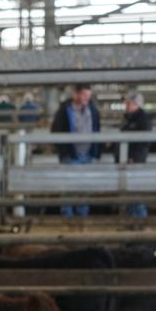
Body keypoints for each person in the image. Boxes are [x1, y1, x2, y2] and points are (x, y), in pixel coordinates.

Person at [51, 83, 102, 217]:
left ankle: (82, 216)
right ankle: (67, 217)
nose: (86, 98)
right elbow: (55, 131)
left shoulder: (92, 109)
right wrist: (64, 151)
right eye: (84, 95)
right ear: (76, 94)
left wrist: (96, 150)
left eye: (88, 95)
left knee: (84, 187)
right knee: (69, 187)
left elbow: (97, 128)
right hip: (71, 156)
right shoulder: (64, 110)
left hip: (87, 155)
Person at [115, 90, 152, 218]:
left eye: (128, 102)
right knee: (130, 192)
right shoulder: (129, 117)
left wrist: (134, 158)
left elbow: (143, 143)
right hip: (126, 159)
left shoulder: (143, 119)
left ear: (135, 104)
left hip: (134, 161)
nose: (126, 104)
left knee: (135, 192)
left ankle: (141, 220)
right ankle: (131, 221)